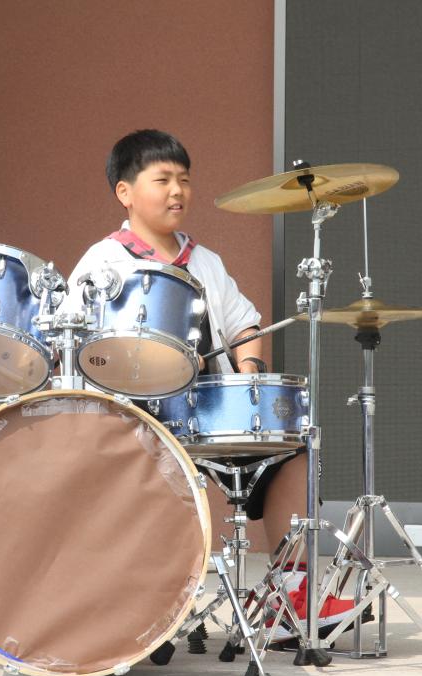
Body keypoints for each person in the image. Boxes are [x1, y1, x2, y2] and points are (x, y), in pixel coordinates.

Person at [62, 129, 356, 634]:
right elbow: (77, 345)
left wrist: (248, 374)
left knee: (294, 451)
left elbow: (244, 325)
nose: (177, 191)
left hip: (210, 415)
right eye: (162, 180)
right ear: (125, 192)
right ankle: (139, 603)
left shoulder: (205, 261)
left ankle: (291, 598)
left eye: (184, 179)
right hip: (135, 417)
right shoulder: (102, 263)